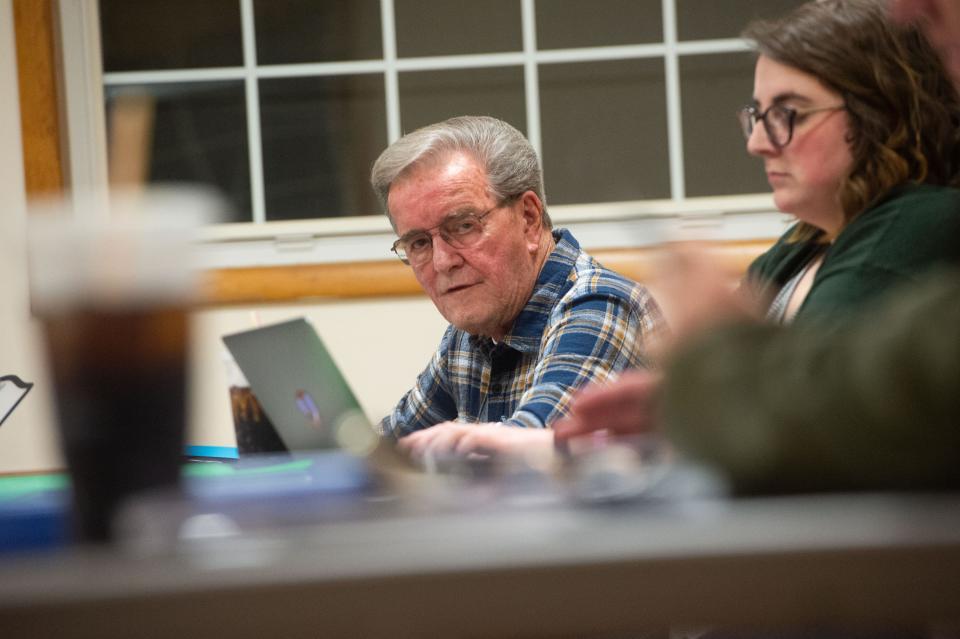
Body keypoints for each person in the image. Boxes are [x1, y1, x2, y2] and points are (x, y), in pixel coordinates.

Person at [555, 0, 960, 493]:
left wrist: (706, 340)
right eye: (757, 116)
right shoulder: (799, 246)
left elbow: (800, 421)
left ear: (879, 112)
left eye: (788, 113)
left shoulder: (917, 223)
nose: (758, 143)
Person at [370, 116, 665, 455]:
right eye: (419, 243)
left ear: (528, 217)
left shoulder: (600, 305)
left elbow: (528, 456)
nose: (442, 262)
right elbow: (385, 449)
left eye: (464, 226)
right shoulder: (471, 332)